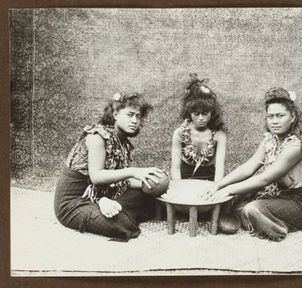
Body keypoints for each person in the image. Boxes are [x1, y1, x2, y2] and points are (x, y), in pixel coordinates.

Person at [205, 87, 302, 241]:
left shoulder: (296, 145)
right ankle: (253, 217)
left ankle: (278, 226)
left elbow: (265, 179)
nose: (274, 121)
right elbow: (249, 167)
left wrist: (229, 190)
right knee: (237, 198)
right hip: (285, 195)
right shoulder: (271, 139)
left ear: (292, 117)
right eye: (270, 117)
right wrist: (219, 185)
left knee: (252, 208)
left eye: (280, 116)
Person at [54, 92, 164, 241]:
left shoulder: (122, 140)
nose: (135, 121)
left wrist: (151, 178)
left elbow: (120, 180)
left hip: (102, 193)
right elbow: (97, 177)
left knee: (150, 197)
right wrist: (133, 171)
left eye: (138, 117)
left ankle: (107, 204)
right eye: (130, 115)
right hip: (75, 202)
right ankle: (105, 205)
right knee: (123, 225)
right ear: (115, 114)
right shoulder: (97, 137)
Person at [171, 73, 227, 182]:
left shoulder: (219, 135)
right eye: (196, 113)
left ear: (212, 112)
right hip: (184, 176)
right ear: (189, 112)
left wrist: (215, 189)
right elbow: (175, 169)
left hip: (208, 176)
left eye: (205, 113)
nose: (201, 118)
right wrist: (178, 188)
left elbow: (220, 170)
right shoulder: (179, 133)